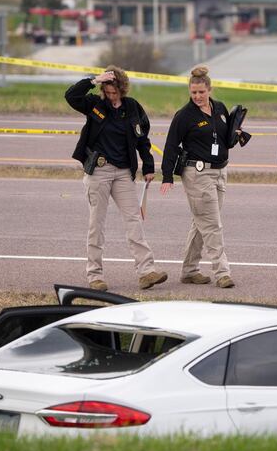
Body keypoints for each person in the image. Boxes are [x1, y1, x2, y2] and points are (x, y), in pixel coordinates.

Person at [65, 66, 168, 291]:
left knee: (134, 220)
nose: (112, 97)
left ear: (122, 89)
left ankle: (146, 272)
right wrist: (94, 80)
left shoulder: (132, 108)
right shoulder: (94, 104)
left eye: (115, 93)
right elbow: (71, 96)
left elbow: (142, 138)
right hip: (99, 172)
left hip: (123, 173)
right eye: (108, 92)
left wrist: (148, 166)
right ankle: (95, 276)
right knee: (96, 225)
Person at [160, 65, 239, 289]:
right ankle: (222, 272)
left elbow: (225, 139)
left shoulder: (220, 109)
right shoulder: (184, 116)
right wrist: (167, 175)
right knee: (212, 224)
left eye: (201, 92)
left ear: (209, 90)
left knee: (201, 223)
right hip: (197, 174)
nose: (197, 96)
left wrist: (237, 135)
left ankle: (189, 270)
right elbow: (171, 146)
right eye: (193, 92)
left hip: (220, 171)